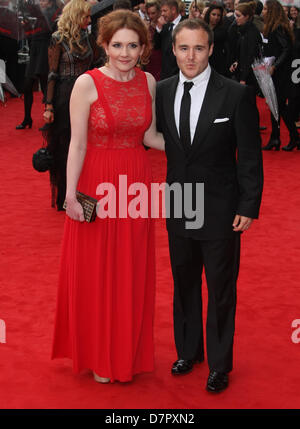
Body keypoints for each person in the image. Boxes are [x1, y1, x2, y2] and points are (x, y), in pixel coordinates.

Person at [51, 9, 165, 384]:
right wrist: (70, 195)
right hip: (97, 182)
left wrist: (195, 148)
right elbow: (78, 144)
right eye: (117, 45)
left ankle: (124, 353)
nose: (125, 53)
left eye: (133, 45)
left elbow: (149, 138)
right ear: (103, 44)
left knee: (130, 267)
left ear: (144, 47)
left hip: (136, 182)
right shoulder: (87, 83)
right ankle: (99, 353)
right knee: (98, 269)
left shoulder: (148, 82)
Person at [156, 18, 263, 393]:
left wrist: (249, 205)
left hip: (220, 208)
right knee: (183, 283)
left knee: (220, 289)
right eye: (183, 48)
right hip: (179, 204)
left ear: (212, 49)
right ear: (173, 49)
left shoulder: (235, 94)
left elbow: (249, 155)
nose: (191, 56)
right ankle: (188, 351)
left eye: (199, 48)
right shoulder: (164, 90)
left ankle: (219, 363)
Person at [43, 0, 105, 211]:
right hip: (63, 97)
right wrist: (49, 105)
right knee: (65, 145)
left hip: (88, 95)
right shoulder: (57, 39)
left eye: (90, 16)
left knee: (88, 145)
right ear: (76, 15)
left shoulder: (89, 39)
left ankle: (84, 192)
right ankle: (65, 194)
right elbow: (52, 74)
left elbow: (97, 65)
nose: (89, 20)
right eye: (86, 16)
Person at [261, 0, 300, 151]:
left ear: (271, 11)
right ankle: (277, 138)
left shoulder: (278, 27)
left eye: (265, 9)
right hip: (277, 72)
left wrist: (274, 66)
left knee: (280, 107)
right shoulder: (275, 27)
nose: (263, 11)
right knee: (275, 107)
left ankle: (291, 137)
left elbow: (286, 49)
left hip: (280, 74)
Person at [16, 0, 60, 129]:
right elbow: (29, 33)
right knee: (27, 85)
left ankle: (49, 118)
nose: (41, 2)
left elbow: (53, 31)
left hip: (45, 49)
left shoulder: (55, 12)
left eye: (43, 0)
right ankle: (27, 118)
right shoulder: (35, 12)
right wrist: (26, 25)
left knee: (45, 85)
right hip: (34, 49)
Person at [229, 1, 262, 86]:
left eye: (239, 16)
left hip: (248, 76)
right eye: (235, 15)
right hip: (243, 72)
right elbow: (242, 52)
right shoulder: (243, 30)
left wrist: (243, 78)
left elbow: (250, 56)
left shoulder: (251, 33)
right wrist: (237, 62)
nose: (236, 18)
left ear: (247, 16)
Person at [155, 0, 185, 80]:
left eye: (165, 10)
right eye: (161, 11)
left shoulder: (186, 23)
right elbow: (157, 46)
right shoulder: (165, 26)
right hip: (166, 75)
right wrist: (158, 29)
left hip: (181, 73)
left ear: (173, 10)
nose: (162, 14)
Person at [204, 4, 228, 76]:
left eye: (218, 15)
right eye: (213, 14)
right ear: (209, 14)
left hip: (217, 63)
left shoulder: (222, 30)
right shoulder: (203, 27)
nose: (216, 17)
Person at [145, 1, 162, 81]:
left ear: (159, 12)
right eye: (149, 13)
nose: (151, 16)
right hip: (149, 61)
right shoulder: (146, 27)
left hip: (162, 61)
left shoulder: (165, 26)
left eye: (153, 13)